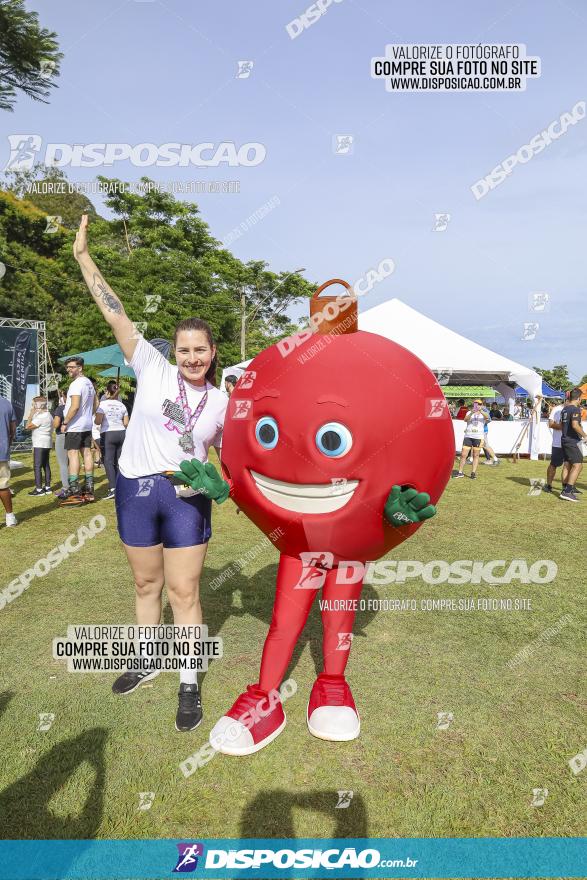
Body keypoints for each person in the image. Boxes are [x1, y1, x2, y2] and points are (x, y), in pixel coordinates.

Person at [73, 213, 229, 731]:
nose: (191, 357)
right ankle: (145, 660)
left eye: (200, 350)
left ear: (212, 353)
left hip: (186, 497)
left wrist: (223, 481)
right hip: (136, 491)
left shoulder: (222, 401)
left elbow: (233, 458)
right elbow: (115, 314)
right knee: (145, 585)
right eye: (184, 349)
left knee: (185, 593)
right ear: (174, 351)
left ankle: (188, 684)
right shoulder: (151, 366)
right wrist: (84, 259)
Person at [60, 356, 97, 505]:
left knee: (73, 454)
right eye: (67, 367)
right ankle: (89, 488)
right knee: (87, 453)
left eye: (72, 367)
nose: (69, 369)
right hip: (87, 425)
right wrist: (89, 416)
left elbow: (74, 406)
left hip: (75, 426)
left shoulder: (76, 384)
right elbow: (96, 402)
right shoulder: (88, 383)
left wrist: (65, 422)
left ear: (80, 368)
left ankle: (74, 489)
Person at [95, 380, 129, 500]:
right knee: (119, 461)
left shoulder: (102, 405)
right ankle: (122, 487)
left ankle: (113, 488)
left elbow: (98, 422)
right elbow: (126, 423)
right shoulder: (122, 405)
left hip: (108, 434)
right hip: (121, 433)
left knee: (108, 461)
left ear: (107, 392)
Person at [559, 388, 587, 502]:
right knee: (578, 465)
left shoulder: (564, 409)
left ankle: (566, 487)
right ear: (579, 398)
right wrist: (585, 436)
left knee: (567, 464)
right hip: (571, 441)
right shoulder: (575, 409)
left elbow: (562, 425)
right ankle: (567, 491)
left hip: (565, 439)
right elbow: (575, 425)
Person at [24, 397, 53, 495]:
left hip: (40, 443)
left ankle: (39, 489)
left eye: (33, 405)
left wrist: (30, 415)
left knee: (37, 466)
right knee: (45, 464)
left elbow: (27, 427)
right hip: (47, 442)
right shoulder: (48, 415)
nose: (32, 407)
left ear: (38, 405)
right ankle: (48, 487)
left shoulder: (41, 417)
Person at [453, 400, 489, 479]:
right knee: (463, 455)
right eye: (476, 404)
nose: (478, 405)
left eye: (479, 404)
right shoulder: (469, 412)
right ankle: (460, 472)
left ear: (482, 405)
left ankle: (473, 473)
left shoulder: (484, 413)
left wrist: (480, 411)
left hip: (478, 437)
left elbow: (487, 418)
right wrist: (472, 412)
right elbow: (465, 419)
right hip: (468, 436)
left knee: (475, 455)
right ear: (474, 405)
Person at [544, 399, 570, 494]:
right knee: (554, 464)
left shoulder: (574, 409)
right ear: (566, 400)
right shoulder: (556, 409)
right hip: (558, 443)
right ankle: (549, 485)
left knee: (568, 465)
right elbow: (550, 424)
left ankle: (566, 487)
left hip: (569, 443)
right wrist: (564, 426)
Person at [0, 396, 17, 527]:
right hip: (2, 451)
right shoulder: (6, 403)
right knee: (3, 485)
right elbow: (13, 430)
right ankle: (10, 517)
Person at [52, 389, 70, 499]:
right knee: (72, 461)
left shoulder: (60, 408)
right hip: (73, 435)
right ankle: (73, 484)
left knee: (63, 463)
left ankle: (66, 487)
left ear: (64, 396)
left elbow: (56, 424)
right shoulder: (77, 408)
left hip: (62, 435)